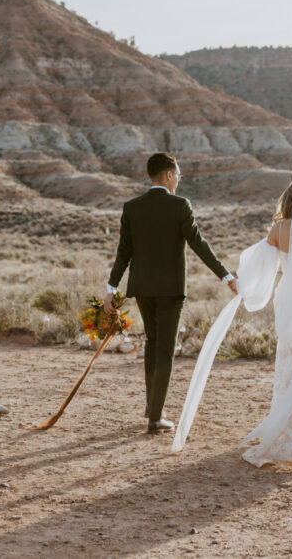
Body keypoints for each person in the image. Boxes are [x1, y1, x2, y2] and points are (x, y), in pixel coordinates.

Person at [172, 179, 292, 467]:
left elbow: (258, 266)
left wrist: (241, 285)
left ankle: (287, 429)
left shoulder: (278, 230)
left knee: (290, 367)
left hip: (287, 306)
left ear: (289, 200)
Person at [106, 152, 238, 435]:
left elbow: (123, 253)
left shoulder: (132, 207)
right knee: (165, 349)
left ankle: (151, 406)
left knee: (153, 344)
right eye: (177, 174)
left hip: (142, 288)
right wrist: (226, 275)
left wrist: (111, 289)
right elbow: (198, 243)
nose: (179, 179)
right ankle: (155, 419)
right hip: (170, 290)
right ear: (167, 175)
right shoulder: (180, 205)